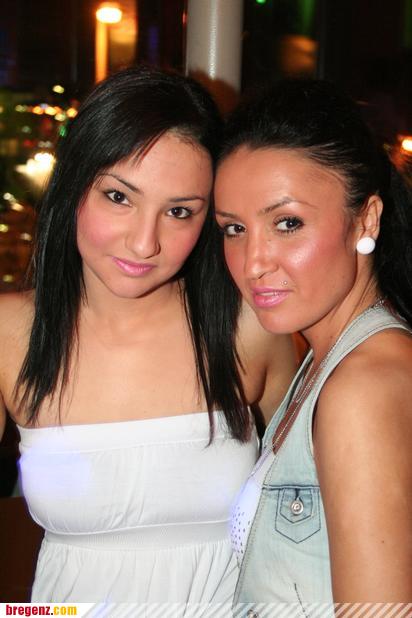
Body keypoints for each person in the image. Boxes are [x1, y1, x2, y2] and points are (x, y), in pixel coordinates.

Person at [0, 66, 297, 606]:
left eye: (179, 212)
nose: (144, 243)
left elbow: (310, 512)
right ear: (74, 186)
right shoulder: (9, 333)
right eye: (119, 197)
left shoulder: (247, 329)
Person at [214, 78, 412, 608]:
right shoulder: (328, 361)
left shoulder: (364, 385)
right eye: (233, 229)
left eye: (287, 223)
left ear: (366, 219)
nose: (253, 263)